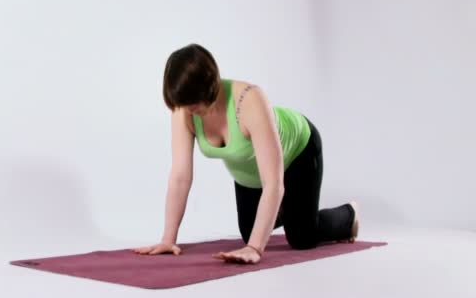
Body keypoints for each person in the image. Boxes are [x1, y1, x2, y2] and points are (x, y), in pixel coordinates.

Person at [132, 43, 359, 264]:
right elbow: (180, 177)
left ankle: (349, 215)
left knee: (301, 236)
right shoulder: (184, 108)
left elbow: (273, 182)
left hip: (298, 151)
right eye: (183, 105)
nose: (186, 111)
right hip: (250, 171)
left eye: (192, 105)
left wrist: (254, 248)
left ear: (209, 87)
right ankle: (291, 209)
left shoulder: (249, 100)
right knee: (250, 231)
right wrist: (168, 239)